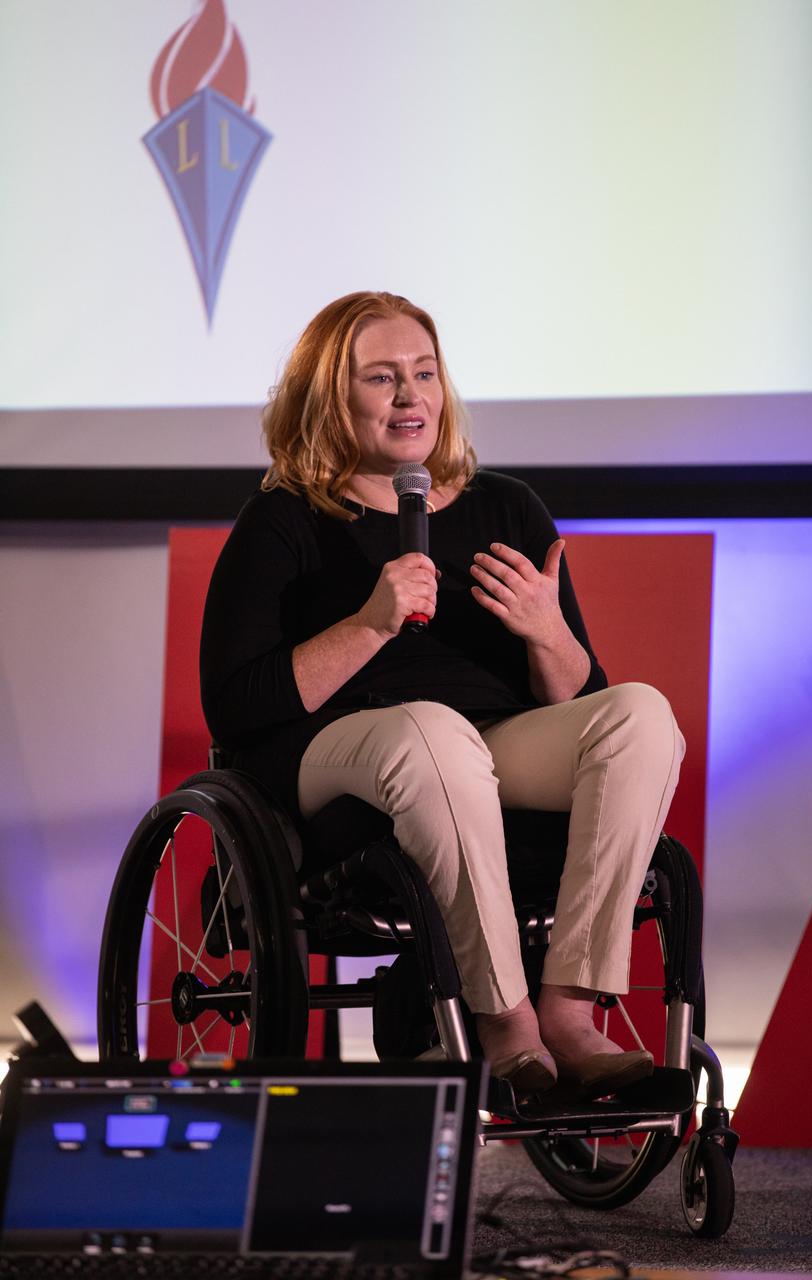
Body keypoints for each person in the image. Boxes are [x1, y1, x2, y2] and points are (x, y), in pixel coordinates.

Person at [200, 291, 685, 1098]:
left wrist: (546, 630)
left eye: (423, 373)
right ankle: (502, 1019)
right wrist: (368, 626)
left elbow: (578, 691)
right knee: (430, 730)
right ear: (330, 396)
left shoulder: (506, 505)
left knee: (638, 715)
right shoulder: (283, 520)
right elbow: (236, 704)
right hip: (331, 753)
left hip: (483, 742)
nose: (410, 395)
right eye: (381, 377)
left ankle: (569, 1005)